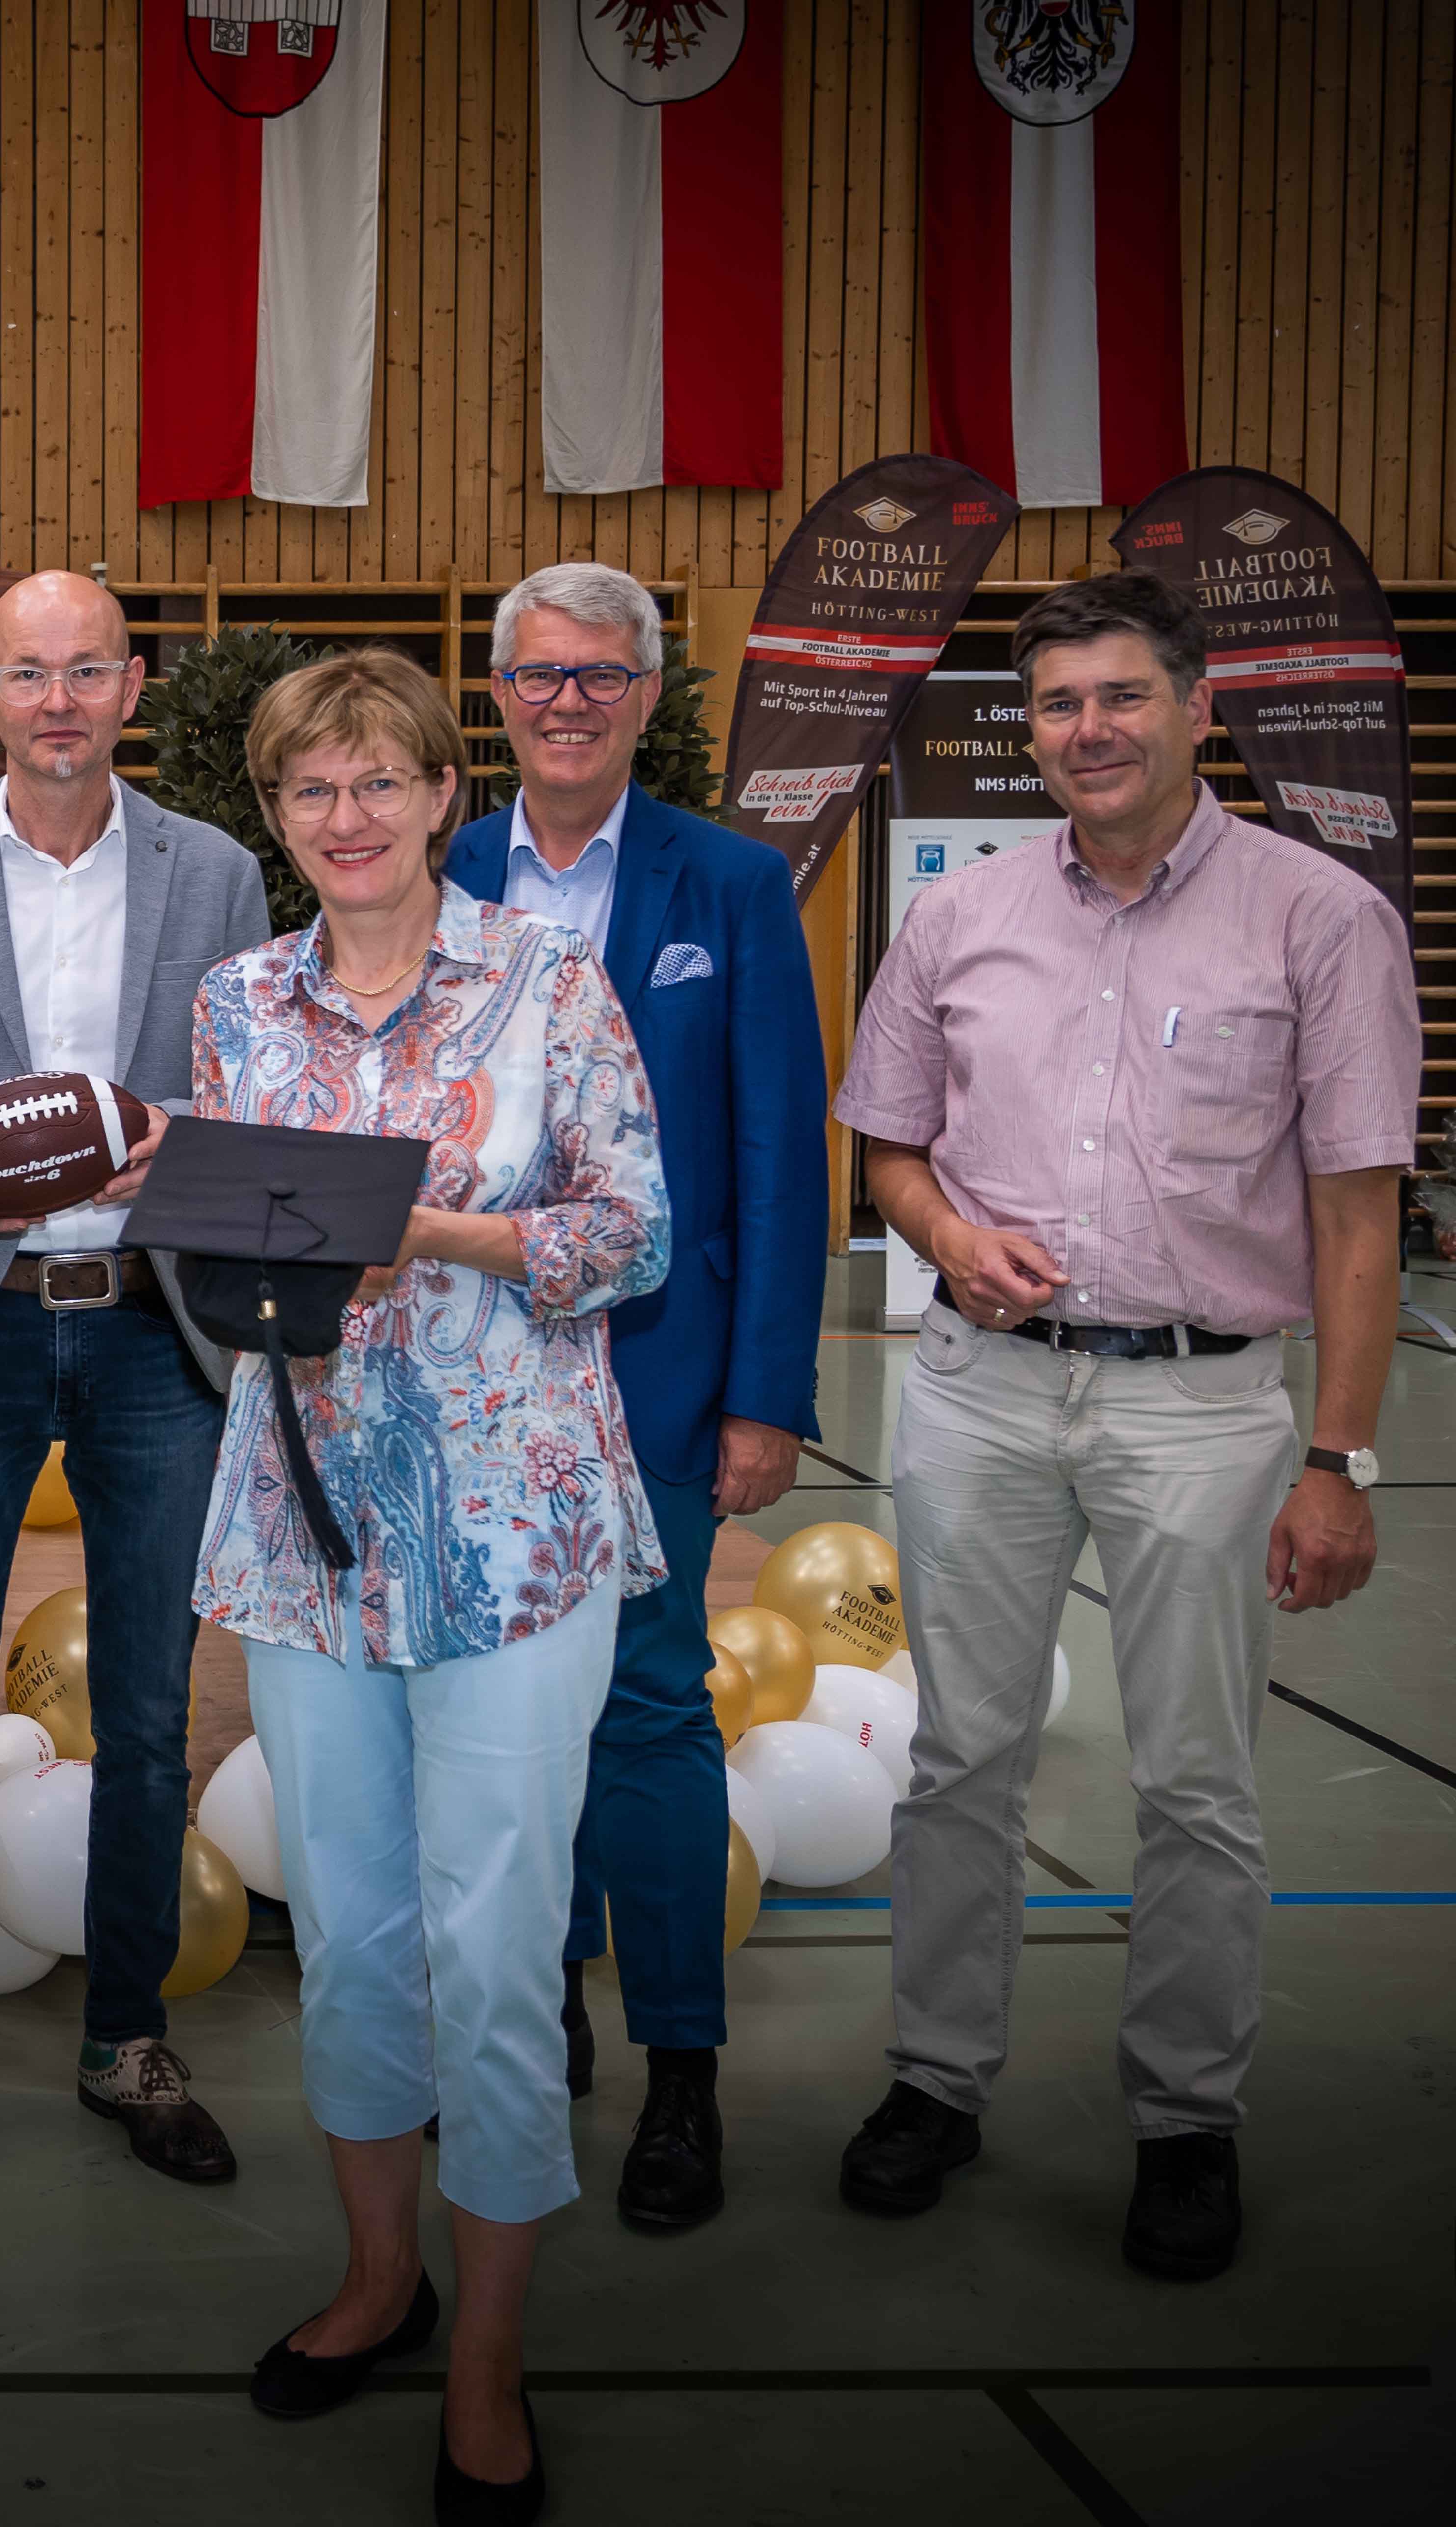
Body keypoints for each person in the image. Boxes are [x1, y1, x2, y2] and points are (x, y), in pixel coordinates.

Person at [829, 568, 1413, 2282]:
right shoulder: (963, 917)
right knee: (960, 1759)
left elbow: (1359, 1215)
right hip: (980, 1393)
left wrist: (1340, 1461)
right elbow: (890, 1146)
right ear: (1031, 731)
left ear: (1197, 707)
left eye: (1123, 696)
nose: (1089, 730)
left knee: (1197, 1783)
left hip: (1206, 1409)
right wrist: (948, 1238)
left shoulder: (1320, 919)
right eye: (1059, 704)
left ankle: (1185, 2120)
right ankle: (936, 2078)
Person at [188, 647, 666, 2527]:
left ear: (440, 794)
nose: (348, 815)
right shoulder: (237, 1000)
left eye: (379, 778)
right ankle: (377, 2276)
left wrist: (427, 1228)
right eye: (311, 787)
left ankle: (486, 2352)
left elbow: (626, 1231)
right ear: (276, 815)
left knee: (494, 1944)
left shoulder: (549, 980)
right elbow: (224, 1248)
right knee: (352, 1934)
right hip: (307, 1531)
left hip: (514, 1531)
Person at [0, 569, 271, 2187]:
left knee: (148, 1721)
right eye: (31, 672)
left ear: (133, 687)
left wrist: (178, 1141)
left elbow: (258, 1083)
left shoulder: (216, 873)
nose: (61, 700)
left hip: (157, 1328)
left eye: (89, 670)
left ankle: (126, 2038)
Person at [445, 560, 829, 2231]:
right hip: (471, 1367)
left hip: (662, 1369)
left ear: (650, 697)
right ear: (501, 693)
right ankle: (544, 2013)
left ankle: (684, 2071)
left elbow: (779, 1150)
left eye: (603, 675)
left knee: (653, 1710)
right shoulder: (440, 868)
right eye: (542, 674)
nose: (570, 702)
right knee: (495, 1720)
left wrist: (767, 1395)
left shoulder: (730, 886)